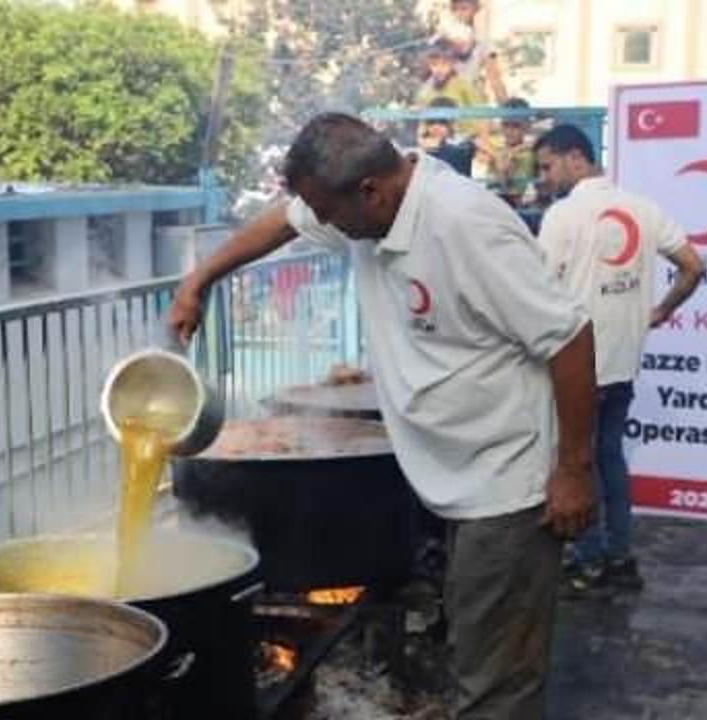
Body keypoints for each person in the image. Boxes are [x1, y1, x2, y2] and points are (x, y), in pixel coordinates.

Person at [168, 113, 599, 718]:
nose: (320, 224)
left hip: (509, 490)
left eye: (326, 211)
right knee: (476, 658)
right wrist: (201, 278)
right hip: (458, 478)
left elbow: (570, 337)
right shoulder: (364, 208)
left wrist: (575, 470)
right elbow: (282, 222)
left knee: (495, 686)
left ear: (370, 191)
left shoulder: (464, 225)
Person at [533, 124, 705, 593]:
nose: (544, 178)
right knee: (610, 459)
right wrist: (661, 311)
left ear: (575, 157)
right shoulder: (642, 208)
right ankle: (620, 558)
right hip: (624, 361)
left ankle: (586, 562)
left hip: (576, 367)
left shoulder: (564, 217)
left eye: (548, 166)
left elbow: (537, 290)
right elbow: (694, 266)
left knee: (577, 462)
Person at [434, 0, 507, 103]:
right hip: (444, 104)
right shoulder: (441, 40)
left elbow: (495, 79)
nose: (458, 14)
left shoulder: (483, 42)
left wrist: (509, 113)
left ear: (475, 12)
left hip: (472, 103)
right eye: (455, 10)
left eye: (464, 9)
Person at [477, 97, 538, 206]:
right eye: (506, 125)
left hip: (517, 204)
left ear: (527, 126)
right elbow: (477, 141)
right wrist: (496, 155)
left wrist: (513, 152)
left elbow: (541, 141)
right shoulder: (497, 147)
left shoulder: (530, 153)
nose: (509, 131)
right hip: (492, 202)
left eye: (516, 126)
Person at [419, 97, 477, 177]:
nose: (436, 127)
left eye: (442, 122)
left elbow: (466, 150)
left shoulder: (462, 145)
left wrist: (437, 149)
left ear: (453, 123)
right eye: (431, 122)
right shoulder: (425, 146)